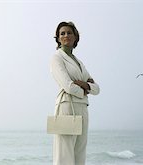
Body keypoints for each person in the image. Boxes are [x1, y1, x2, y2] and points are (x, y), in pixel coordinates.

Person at [50, 21, 100, 165]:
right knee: (64, 156)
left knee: (79, 154)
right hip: (66, 107)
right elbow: (68, 86)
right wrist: (86, 88)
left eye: (69, 32)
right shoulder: (56, 57)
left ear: (75, 36)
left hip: (83, 108)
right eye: (62, 33)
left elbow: (96, 89)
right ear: (58, 38)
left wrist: (85, 85)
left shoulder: (79, 62)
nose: (66, 35)